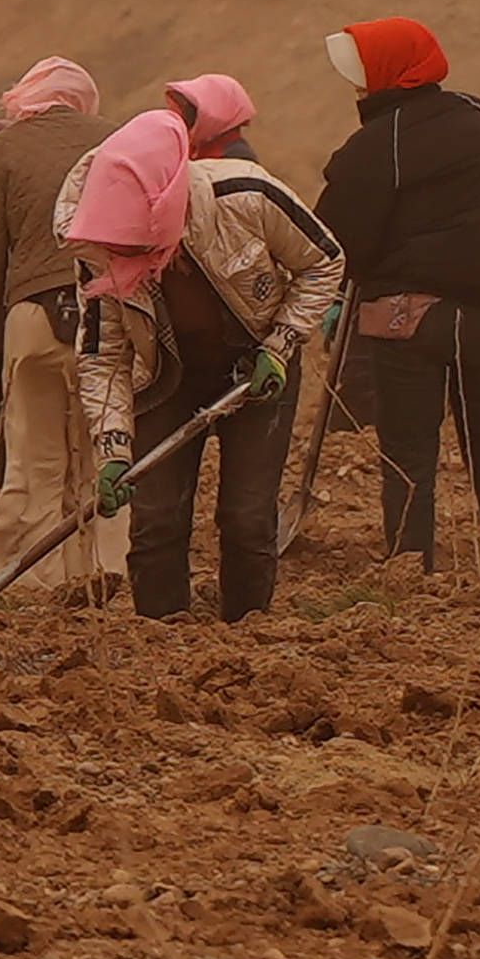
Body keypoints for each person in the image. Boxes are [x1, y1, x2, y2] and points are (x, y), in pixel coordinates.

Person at [63, 106, 343, 621]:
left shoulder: (247, 196)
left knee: (246, 517)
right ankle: (161, 633)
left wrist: (279, 344)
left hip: (256, 371)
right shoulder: (99, 244)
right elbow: (104, 357)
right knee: (155, 518)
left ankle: (248, 632)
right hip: (165, 378)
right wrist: (113, 449)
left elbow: (323, 263)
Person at [314, 16, 480, 569]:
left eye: (362, 73)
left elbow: (339, 238)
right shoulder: (474, 117)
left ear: (390, 75)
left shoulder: (374, 147)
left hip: (407, 321)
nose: (357, 84)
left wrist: (339, 292)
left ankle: (410, 575)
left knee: (409, 457)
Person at [0, 54, 114, 590]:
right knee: (100, 456)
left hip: (34, 317)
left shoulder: (3, 148)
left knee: (34, 460)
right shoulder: (116, 139)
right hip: (108, 318)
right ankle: (104, 568)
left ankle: (29, 580)